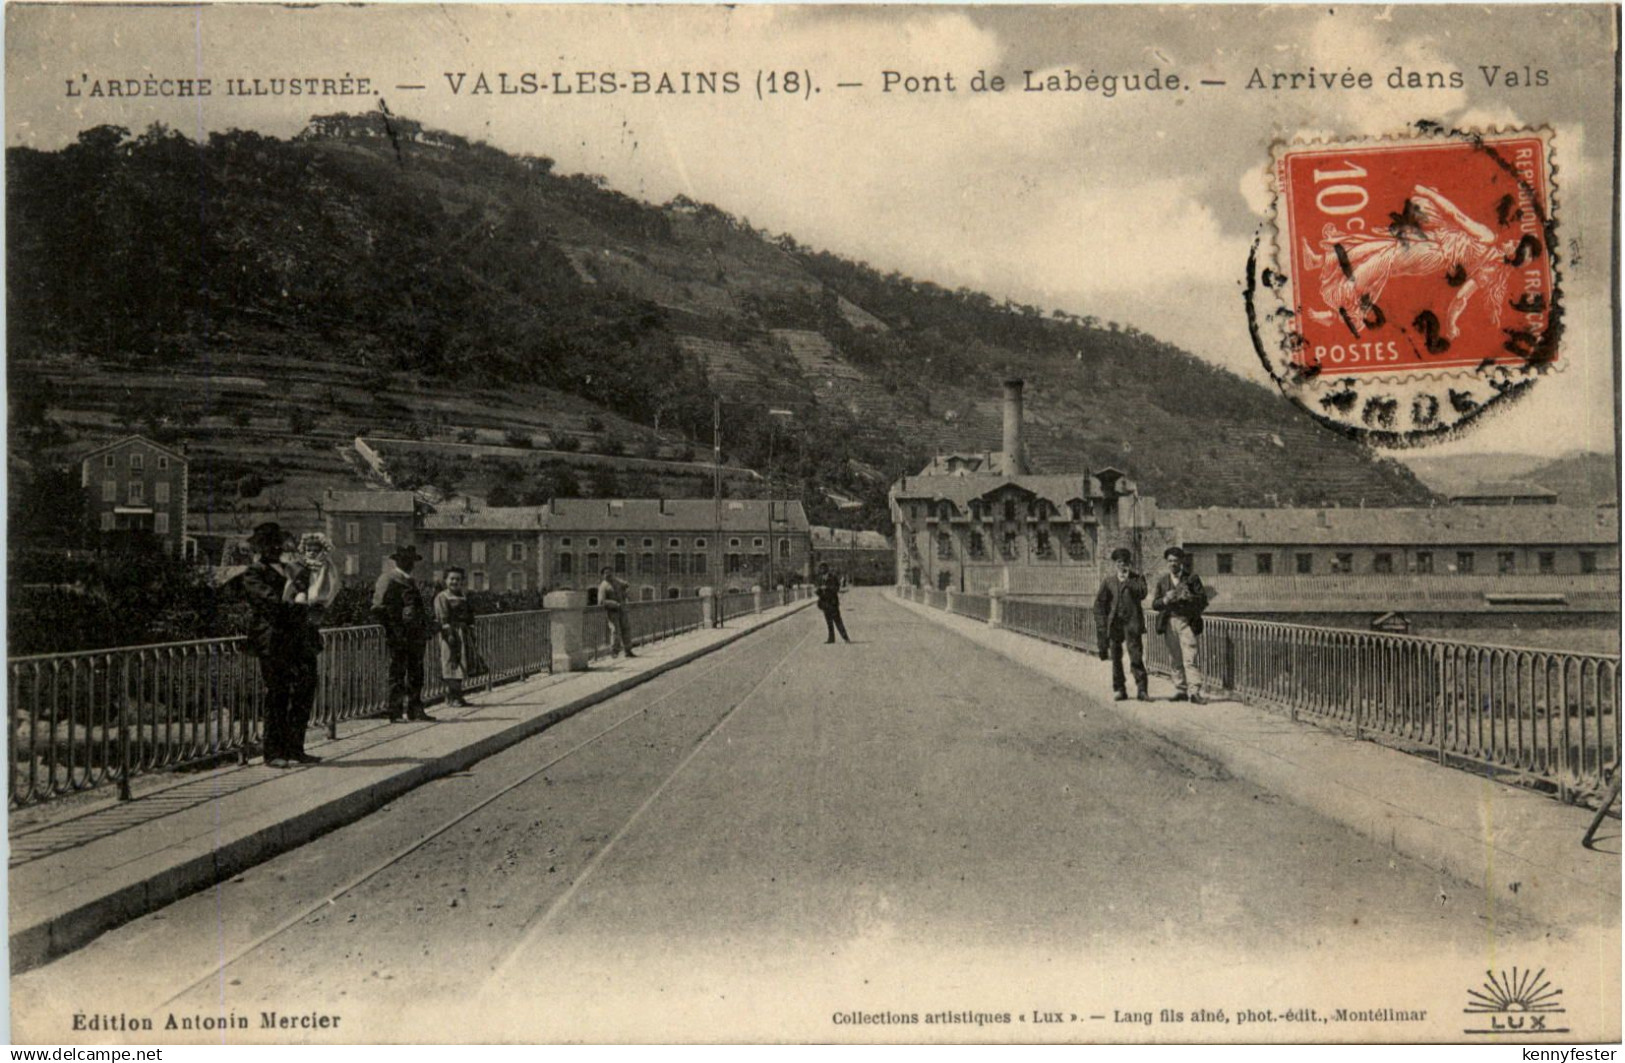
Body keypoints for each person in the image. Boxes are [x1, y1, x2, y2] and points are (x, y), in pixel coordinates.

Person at [240, 522, 326, 767]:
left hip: (301, 640)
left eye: (277, 543)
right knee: (277, 694)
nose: (275, 547)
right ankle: (273, 752)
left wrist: (314, 608)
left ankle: (295, 748)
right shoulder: (253, 573)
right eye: (269, 544)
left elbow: (310, 595)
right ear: (260, 548)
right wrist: (299, 605)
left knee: (304, 691)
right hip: (274, 642)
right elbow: (271, 604)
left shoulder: (291, 569)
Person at [372, 544, 434, 721]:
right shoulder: (388, 578)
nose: (409, 563)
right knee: (397, 673)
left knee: (416, 672)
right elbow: (378, 607)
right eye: (405, 560)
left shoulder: (410, 580)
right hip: (398, 635)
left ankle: (415, 709)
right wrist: (393, 629)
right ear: (397, 561)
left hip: (415, 635)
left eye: (411, 560)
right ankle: (395, 711)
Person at [1152, 546, 1209, 704]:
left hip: (1187, 622)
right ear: (1167, 563)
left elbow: (1203, 601)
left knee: (1190, 657)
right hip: (1169, 622)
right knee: (1175, 658)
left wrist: (1188, 597)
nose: (1173, 564)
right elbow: (1155, 604)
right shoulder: (1163, 581)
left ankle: (1195, 692)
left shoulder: (1192, 579)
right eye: (1170, 561)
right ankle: (1180, 689)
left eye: (1176, 561)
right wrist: (1165, 600)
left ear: (1181, 561)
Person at [1094, 546, 1149, 702]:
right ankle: (1119, 689)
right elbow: (1099, 603)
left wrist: (1129, 582)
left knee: (1136, 656)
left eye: (1125, 562)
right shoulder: (1109, 581)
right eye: (1119, 562)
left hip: (1132, 624)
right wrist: (1103, 623)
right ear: (1115, 564)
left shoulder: (1137, 578)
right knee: (1116, 658)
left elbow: (1143, 593)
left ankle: (1142, 689)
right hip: (1115, 625)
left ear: (1129, 563)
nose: (1122, 565)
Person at [433, 567, 480, 708]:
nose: (455, 582)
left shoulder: (463, 596)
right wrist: (449, 635)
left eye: (458, 579)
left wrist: (471, 629)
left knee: (461, 664)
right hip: (450, 634)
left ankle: (458, 696)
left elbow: (470, 615)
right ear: (446, 580)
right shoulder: (442, 597)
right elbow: (443, 617)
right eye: (452, 579)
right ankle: (451, 697)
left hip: (463, 634)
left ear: (462, 582)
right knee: (450, 663)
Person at [597, 566, 635, 658]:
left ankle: (628, 650)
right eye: (606, 573)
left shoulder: (616, 581)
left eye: (610, 572)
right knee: (615, 630)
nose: (608, 574)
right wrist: (614, 604)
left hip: (622, 609)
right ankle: (614, 651)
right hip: (612, 611)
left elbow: (626, 585)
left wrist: (626, 590)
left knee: (626, 628)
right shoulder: (603, 586)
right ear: (603, 575)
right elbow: (601, 601)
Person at [816, 562, 850, 644]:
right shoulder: (820, 579)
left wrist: (827, 588)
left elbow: (836, 588)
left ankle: (845, 637)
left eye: (823, 568)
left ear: (827, 569)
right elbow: (818, 590)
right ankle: (831, 638)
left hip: (832, 603)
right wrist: (818, 590)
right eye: (821, 568)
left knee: (838, 621)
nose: (822, 570)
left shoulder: (833, 577)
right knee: (829, 622)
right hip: (824, 603)